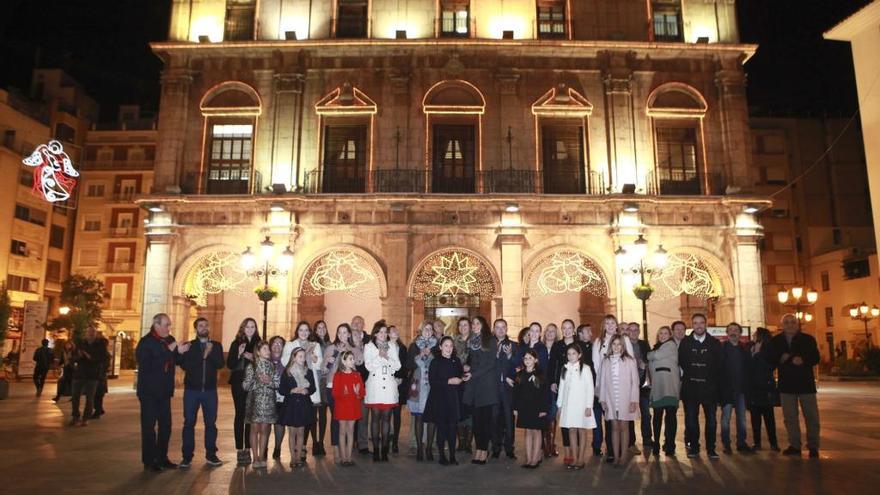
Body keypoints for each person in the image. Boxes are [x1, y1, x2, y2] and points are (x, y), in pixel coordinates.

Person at [767, 313, 821, 458]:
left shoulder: (808, 339)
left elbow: (816, 358)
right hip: (787, 384)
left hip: (806, 384)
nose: (790, 325)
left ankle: (813, 445)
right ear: (782, 325)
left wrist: (803, 360)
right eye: (787, 322)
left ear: (797, 324)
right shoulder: (776, 341)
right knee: (790, 417)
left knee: (811, 416)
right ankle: (795, 445)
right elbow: (771, 359)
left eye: (792, 322)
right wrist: (781, 359)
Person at [176, 317, 225, 468]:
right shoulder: (189, 346)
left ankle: (211, 454)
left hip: (210, 391)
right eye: (200, 325)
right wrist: (203, 356)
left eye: (206, 325)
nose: (204, 327)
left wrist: (210, 353)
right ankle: (186, 457)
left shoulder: (216, 345)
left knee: (210, 424)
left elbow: (220, 364)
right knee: (189, 423)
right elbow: (185, 365)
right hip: (192, 391)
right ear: (196, 329)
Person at [136, 313, 179, 472]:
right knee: (149, 427)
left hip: (164, 391)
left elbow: (175, 359)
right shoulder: (146, 343)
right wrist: (169, 350)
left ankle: (162, 457)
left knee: (166, 426)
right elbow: (147, 365)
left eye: (169, 325)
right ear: (156, 325)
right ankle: (149, 460)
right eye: (167, 325)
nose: (169, 328)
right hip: (149, 392)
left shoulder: (169, 340)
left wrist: (181, 351)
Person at [679, 313, 724, 459]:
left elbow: (719, 366)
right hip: (691, 389)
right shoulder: (685, 343)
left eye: (701, 323)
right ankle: (694, 448)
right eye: (696, 323)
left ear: (706, 325)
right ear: (692, 325)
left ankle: (711, 449)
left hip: (709, 390)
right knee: (691, 420)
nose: (698, 326)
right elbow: (683, 362)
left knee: (711, 421)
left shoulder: (715, 344)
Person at [592, 315, 634, 463]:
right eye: (607, 323)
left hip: (623, 388)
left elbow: (630, 366)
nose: (610, 325)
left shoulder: (625, 340)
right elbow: (597, 366)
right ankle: (612, 451)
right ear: (603, 326)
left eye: (612, 323)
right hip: (606, 386)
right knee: (610, 422)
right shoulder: (598, 342)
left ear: (616, 325)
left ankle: (624, 452)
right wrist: (602, 390)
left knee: (623, 423)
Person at [282, 321, 324, 461]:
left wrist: (313, 357)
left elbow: (318, 365)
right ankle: (294, 454)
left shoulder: (315, 345)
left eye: (306, 330)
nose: (304, 332)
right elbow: (284, 361)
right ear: (297, 331)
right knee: (294, 426)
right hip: (293, 388)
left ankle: (302, 449)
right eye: (301, 330)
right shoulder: (290, 344)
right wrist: (300, 355)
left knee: (305, 420)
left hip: (307, 384)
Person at [424, 335, 467, 465]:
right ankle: (442, 456)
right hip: (439, 399)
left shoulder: (456, 360)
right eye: (446, 346)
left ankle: (453, 456)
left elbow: (460, 376)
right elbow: (433, 382)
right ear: (441, 347)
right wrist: (448, 381)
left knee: (452, 428)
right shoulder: (435, 362)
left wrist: (462, 379)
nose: (448, 348)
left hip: (453, 399)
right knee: (441, 428)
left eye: (451, 346)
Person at [598, 335, 639, 467]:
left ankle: (624, 456)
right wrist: (603, 399)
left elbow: (635, 382)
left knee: (624, 427)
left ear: (623, 346)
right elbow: (603, 382)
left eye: (619, 344)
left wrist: (634, 400)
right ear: (610, 346)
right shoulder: (606, 361)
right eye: (614, 344)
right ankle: (615, 456)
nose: (616, 347)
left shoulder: (630, 361)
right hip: (611, 398)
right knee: (614, 428)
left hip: (626, 399)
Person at [364, 320, 401, 462]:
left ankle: (385, 450)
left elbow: (397, 366)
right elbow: (369, 366)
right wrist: (380, 356)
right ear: (375, 333)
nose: (383, 334)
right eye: (380, 332)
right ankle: (375, 450)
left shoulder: (392, 345)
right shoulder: (369, 346)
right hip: (375, 386)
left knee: (386, 419)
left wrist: (387, 357)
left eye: (385, 332)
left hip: (389, 387)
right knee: (375, 420)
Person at [463, 316, 498, 465]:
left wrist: (473, 373)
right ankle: (478, 450)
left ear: (483, 325)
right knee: (476, 422)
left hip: (486, 386)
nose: (475, 326)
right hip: (474, 387)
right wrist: (466, 366)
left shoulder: (490, 340)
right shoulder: (471, 342)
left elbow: (490, 363)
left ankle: (484, 451)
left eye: (478, 323)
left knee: (485, 422)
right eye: (473, 324)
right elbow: (472, 361)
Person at [556, 342, 596, 470]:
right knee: (571, 430)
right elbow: (561, 389)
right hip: (569, 406)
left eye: (573, 353)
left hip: (582, 405)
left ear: (579, 355)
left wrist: (589, 406)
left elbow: (590, 388)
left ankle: (581, 459)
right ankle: (573, 457)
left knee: (581, 430)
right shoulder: (565, 368)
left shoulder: (585, 368)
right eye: (569, 354)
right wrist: (560, 406)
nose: (571, 356)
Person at [227, 318, 261, 465]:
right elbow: (230, 365)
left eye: (252, 327)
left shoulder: (259, 343)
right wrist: (239, 354)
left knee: (250, 416)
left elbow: (264, 360)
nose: (250, 329)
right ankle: (239, 449)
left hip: (253, 383)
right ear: (243, 328)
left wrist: (253, 357)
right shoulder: (236, 343)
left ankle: (248, 448)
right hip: (238, 383)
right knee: (240, 414)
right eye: (247, 327)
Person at [243, 340, 280, 469]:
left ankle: (261, 457)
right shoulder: (252, 366)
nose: (268, 352)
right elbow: (245, 385)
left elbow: (277, 384)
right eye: (265, 349)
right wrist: (258, 380)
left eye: (268, 349)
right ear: (258, 352)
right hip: (255, 401)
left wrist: (269, 381)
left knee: (265, 429)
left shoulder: (272, 366)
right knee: (254, 429)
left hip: (269, 401)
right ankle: (255, 458)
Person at [279, 347, 317, 469]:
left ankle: (299, 456)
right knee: (292, 433)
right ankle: (292, 458)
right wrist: (291, 390)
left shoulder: (308, 372)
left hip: (304, 404)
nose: (302, 358)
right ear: (293, 357)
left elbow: (313, 388)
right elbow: (281, 389)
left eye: (303, 356)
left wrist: (307, 390)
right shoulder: (287, 372)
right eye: (299, 356)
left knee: (301, 432)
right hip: (291, 405)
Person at [323, 324, 356, 460]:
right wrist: (331, 359)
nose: (342, 335)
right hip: (332, 386)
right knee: (336, 418)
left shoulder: (352, 349)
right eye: (339, 332)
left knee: (347, 420)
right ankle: (336, 449)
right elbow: (324, 370)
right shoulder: (331, 348)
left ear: (349, 334)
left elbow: (358, 366)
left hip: (348, 389)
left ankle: (347, 452)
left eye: (344, 332)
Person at [513, 349, 550, 468]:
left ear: (536, 360)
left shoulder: (540, 374)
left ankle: (535, 458)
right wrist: (515, 408)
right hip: (524, 407)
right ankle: (528, 459)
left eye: (530, 358)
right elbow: (516, 392)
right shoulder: (520, 374)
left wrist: (544, 409)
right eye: (525, 358)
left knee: (536, 431)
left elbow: (544, 393)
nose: (527, 360)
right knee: (527, 431)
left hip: (537, 407)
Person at [647, 325, 680, 456]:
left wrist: (650, 355)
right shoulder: (657, 347)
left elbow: (655, 356)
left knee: (670, 417)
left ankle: (670, 444)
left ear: (670, 335)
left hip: (670, 387)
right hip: (658, 387)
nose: (662, 335)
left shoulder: (670, 345)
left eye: (665, 333)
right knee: (657, 417)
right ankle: (656, 444)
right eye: (660, 333)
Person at [720, 322, 752, 454]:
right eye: (731, 330)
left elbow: (749, 368)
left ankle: (741, 443)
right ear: (727, 333)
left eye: (736, 330)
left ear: (740, 333)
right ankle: (726, 444)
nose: (733, 332)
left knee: (742, 418)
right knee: (726, 418)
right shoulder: (721, 348)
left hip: (741, 389)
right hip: (727, 389)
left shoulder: (744, 349)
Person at [407, 321, 437, 461]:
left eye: (430, 329)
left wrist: (431, 354)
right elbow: (409, 364)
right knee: (418, 417)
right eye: (426, 329)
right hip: (418, 383)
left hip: (432, 384)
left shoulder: (436, 346)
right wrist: (420, 355)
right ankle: (419, 447)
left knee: (431, 418)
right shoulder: (414, 345)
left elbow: (439, 362)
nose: (428, 331)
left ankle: (429, 448)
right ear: (420, 330)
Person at [491, 318, 518, 460]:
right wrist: (495, 356)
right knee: (494, 419)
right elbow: (486, 367)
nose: (500, 330)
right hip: (493, 388)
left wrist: (509, 356)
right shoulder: (489, 345)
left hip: (507, 389)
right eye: (497, 327)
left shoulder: (514, 345)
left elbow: (519, 366)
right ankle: (495, 448)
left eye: (503, 327)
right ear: (493, 329)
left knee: (508, 419)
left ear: (506, 329)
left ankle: (509, 448)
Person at [748, 327, 779, 452]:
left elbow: (770, 366)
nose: (753, 335)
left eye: (755, 334)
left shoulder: (769, 351)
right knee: (755, 419)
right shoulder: (751, 348)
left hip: (765, 388)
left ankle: (773, 443)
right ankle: (757, 443)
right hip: (754, 388)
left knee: (769, 418)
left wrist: (757, 354)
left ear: (761, 336)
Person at [332, 350, 365, 467]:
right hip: (341, 406)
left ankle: (349, 457)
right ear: (343, 361)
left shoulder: (357, 375)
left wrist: (358, 393)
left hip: (353, 406)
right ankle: (343, 457)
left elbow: (362, 392)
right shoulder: (338, 375)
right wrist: (343, 393)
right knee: (342, 431)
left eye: (353, 359)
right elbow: (334, 393)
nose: (353, 361)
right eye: (350, 359)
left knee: (350, 431)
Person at [70, 326, 108, 426]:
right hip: (80, 373)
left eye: (92, 332)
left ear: (95, 333)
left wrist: (88, 356)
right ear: (86, 333)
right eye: (88, 332)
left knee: (90, 398)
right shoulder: (81, 344)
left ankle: (86, 418)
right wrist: (78, 356)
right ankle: (75, 416)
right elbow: (73, 357)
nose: (90, 334)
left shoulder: (100, 344)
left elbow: (102, 358)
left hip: (93, 374)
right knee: (75, 397)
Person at [626, 322, 653, 455]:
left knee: (646, 413)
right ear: (627, 332)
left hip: (643, 384)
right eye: (631, 330)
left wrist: (645, 364)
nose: (634, 332)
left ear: (639, 331)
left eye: (636, 330)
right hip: (629, 385)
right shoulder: (624, 344)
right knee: (630, 414)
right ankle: (631, 442)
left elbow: (649, 360)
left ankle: (647, 439)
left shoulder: (644, 344)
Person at [453, 317, 478, 453]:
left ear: (470, 326)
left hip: (471, 380)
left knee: (470, 412)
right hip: (457, 380)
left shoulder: (475, 340)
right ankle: (461, 442)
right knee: (459, 411)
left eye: (465, 325)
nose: (463, 327)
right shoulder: (454, 341)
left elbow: (479, 360)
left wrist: (471, 367)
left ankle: (468, 443)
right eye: (461, 325)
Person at [350, 315, 371, 454]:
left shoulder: (369, 340)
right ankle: (350, 443)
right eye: (354, 323)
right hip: (350, 384)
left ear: (363, 325)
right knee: (350, 415)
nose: (357, 325)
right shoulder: (348, 341)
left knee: (363, 416)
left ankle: (363, 444)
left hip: (365, 383)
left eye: (359, 323)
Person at [311, 320, 331, 456]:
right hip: (316, 380)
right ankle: (314, 442)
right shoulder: (313, 344)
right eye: (319, 328)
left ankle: (321, 442)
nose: (322, 329)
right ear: (316, 330)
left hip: (326, 381)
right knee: (313, 414)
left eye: (324, 327)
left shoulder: (330, 344)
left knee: (323, 413)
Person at [389, 325, 409, 454]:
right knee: (385, 414)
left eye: (396, 330)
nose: (395, 332)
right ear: (388, 334)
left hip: (399, 384)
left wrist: (400, 378)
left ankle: (395, 441)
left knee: (396, 413)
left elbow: (405, 366)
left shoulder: (402, 348)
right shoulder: (383, 346)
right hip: (386, 383)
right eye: (392, 331)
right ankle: (386, 438)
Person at [268, 336, 287, 460]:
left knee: (280, 423)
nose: (277, 345)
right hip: (267, 396)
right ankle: (264, 447)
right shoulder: (265, 359)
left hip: (281, 396)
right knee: (266, 424)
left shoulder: (286, 361)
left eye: (280, 343)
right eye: (274, 343)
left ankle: (278, 447)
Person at [91, 335, 110, 419]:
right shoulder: (105, 353)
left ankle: (98, 411)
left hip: (98, 376)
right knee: (98, 395)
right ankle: (99, 409)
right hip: (101, 376)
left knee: (97, 394)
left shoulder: (102, 354)